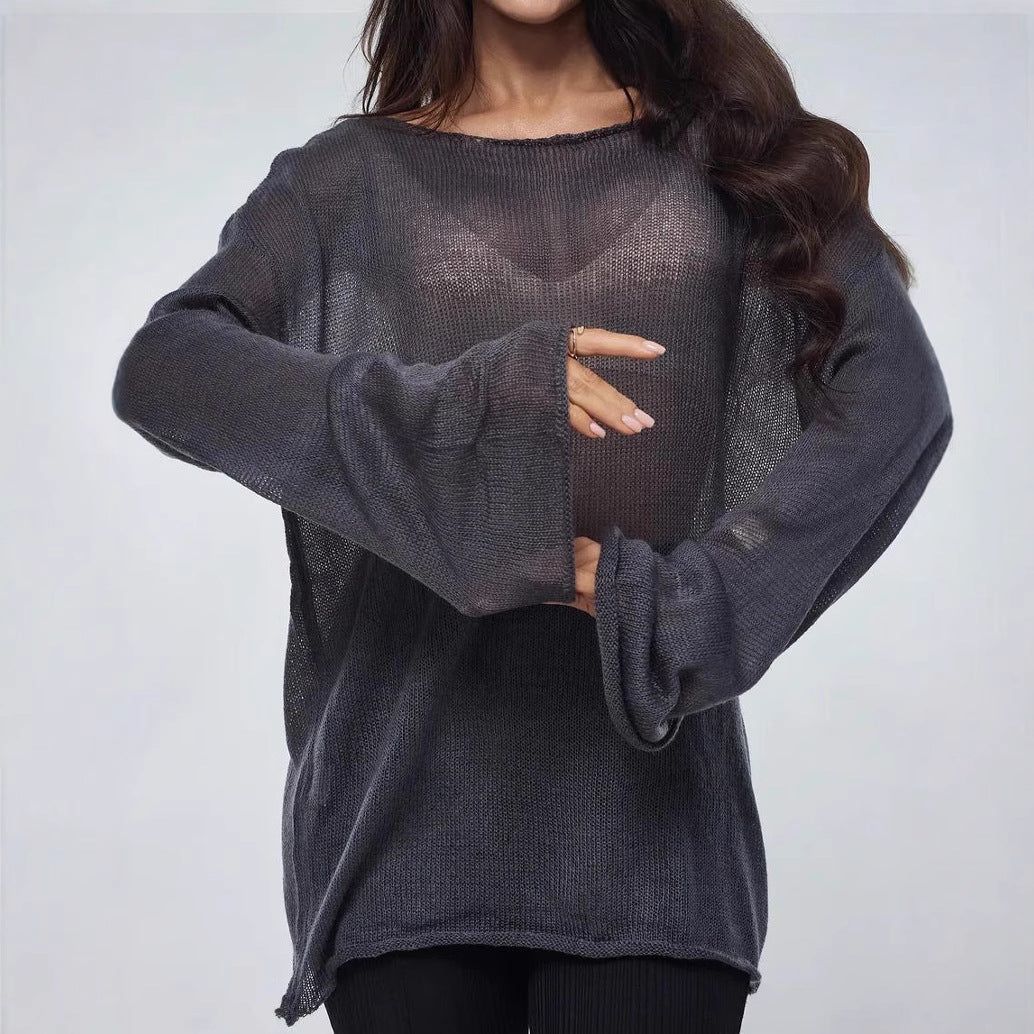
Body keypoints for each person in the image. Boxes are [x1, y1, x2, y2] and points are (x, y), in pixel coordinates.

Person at [110, 0, 954, 1031]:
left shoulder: (731, 157)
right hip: (404, 829)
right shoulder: (344, 179)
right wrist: (471, 406)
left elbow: (897, 398)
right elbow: (168, 369)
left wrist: (690, 602)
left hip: (656, 839)